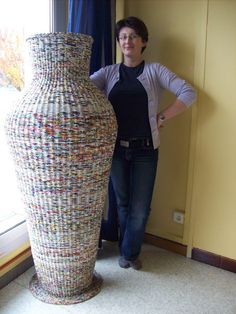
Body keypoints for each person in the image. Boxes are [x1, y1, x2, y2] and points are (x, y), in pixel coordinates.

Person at [90, 16, 196, 270]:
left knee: (139, 208)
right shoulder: (108, 73)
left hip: (146, 150)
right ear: (119, 42)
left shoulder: (154, 70)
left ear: (143, 42)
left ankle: (129, 253)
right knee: (123, 204)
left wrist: (162, 116)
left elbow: (188, 92)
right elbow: (81, 88)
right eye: (123, 37)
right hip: (115, 149)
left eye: (133, 36)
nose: (128, 41)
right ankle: (128, 251)